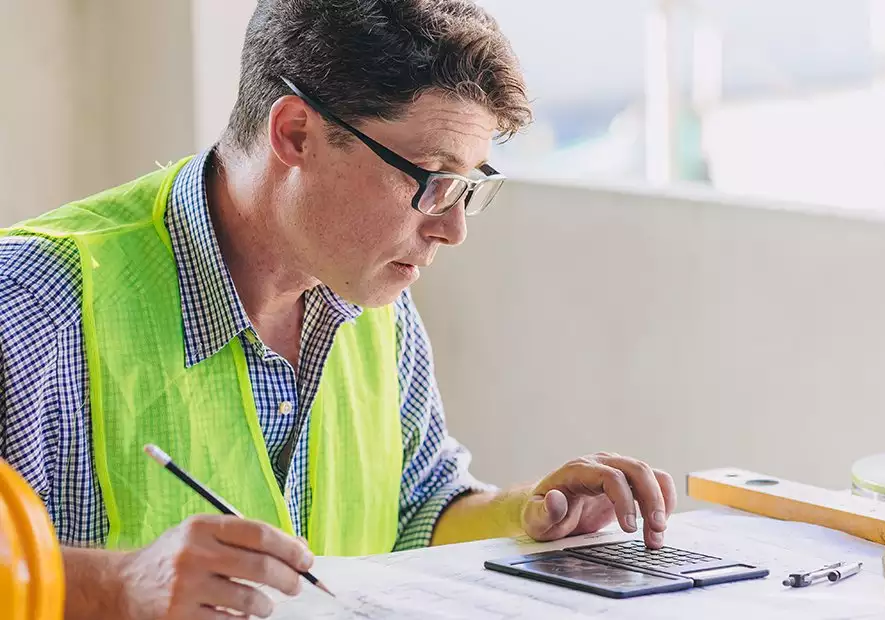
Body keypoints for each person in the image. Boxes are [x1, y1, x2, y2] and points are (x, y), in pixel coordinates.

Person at [0, 1, 677, 618]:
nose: (452, 229)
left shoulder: (371, 294)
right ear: (295, 134)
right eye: (433, 181)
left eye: (468, 188)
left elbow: (415, 510)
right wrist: (115, 587)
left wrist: (527, 514)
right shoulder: (33, 306)